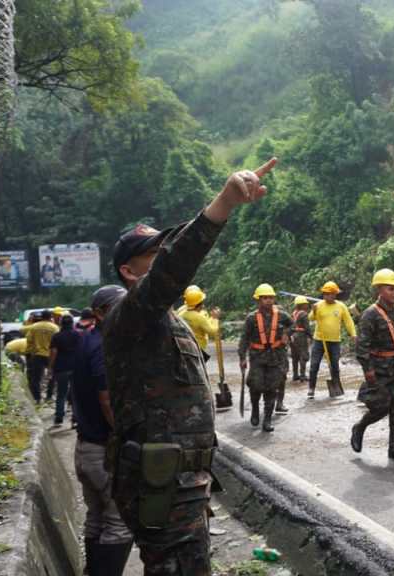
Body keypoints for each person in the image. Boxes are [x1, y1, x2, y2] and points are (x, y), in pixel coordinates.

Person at [102, 157, 277, 575]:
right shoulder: (130, 315)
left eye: (162, 249)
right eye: (153, 254)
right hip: (160, 482)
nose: (162, 256)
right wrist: (223, 205)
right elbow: (172, 268)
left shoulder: (166, 320)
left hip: (181, 482)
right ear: (128, 271)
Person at [75, 285, 133, 576]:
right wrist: (126, 434)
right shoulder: (102, 346)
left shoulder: (87, 340)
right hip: (104, 451)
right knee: (119, 521)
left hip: (87, 446)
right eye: (120, 307)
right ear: (100, 313)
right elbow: (107, 399)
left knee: (97, 517)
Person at [352, 269, 394, 461]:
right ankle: (360, 427)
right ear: (379, 290)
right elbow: (362, 346)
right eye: (390, 288)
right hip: (378, 371)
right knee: (380, 407)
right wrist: (368, 370)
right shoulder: (370, 314)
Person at [239, 283, 293, 430]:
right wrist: (242, 357)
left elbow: (292, 324)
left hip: (276, 357)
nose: (268, 300)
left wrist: (286, 334)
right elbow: (244, 339)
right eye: (265, 298)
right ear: (259, 300)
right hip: (257, 357)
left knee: (272, 388)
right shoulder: (251, 318)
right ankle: (255, 410)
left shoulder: (281, 315)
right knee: (255, 385)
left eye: (271, 298)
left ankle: (267, 419)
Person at [307, 281, 357, 398]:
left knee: (335, 365)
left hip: (335, 341)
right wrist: (314, 310)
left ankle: (337, 387)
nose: (328, 296)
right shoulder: (318, 305)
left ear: (335, 294)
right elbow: (311, 318)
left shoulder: (341, 306)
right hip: (319, 340)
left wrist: (353, 334)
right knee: (314, 365)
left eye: (331, 294)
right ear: (323, 294)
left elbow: (348, 321)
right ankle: (311, 389)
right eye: (326, 294)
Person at [49, 314, 80, 426]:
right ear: (72, 323)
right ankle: (76, 418)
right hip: (76, 368)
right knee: (76, 393)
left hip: (61, 368)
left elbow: (53, 352)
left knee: (61, 393)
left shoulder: (56, 336)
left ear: (61, 323)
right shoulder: (78, 335)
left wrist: (50, 367)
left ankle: (59, 417)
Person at [25, 309, 58, 403]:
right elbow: (57, 342)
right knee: (52, 376)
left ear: (41, 317)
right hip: (50, 355)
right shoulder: (55, 328)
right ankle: (49, 396)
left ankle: (37, 398)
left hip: (37, 355)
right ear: (50, 317)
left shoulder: (34, 327)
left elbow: (29, 340)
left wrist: (31, 353)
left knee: (36, 378)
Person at [179, 285, 220, 353]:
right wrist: (215, 318)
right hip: (197, 348)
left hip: (184, 346)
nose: (203, 305)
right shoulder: (198, 317)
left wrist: (211, 318)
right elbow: (212, 331)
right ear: (199, 304)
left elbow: (203, 323)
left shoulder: (181, 311)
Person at [290, 296, 311, 382]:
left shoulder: (293, 313)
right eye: (306, 304)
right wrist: (311, 336)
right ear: (302, 305)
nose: (307, 305)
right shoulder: (304, 314)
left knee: (295, 356)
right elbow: (307, 328)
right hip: (301, 336)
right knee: (303, 355)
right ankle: (302, 375)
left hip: (293, 336)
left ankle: (295, 375)